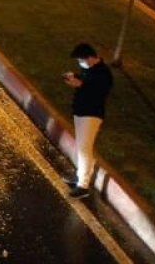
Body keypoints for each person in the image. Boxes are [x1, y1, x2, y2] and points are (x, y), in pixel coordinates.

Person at [63, 43, 113, 199]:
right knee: (81, 147)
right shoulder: (89, 69)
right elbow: (86, 83)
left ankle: (83, 186)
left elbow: (98, 91)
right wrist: (76, 79)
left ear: (90, 58)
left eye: (81, 60)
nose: (80, 63)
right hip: (81, 112)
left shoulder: (104, 73)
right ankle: (81, 177)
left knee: (84, 148)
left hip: (91, 115)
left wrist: (81, 84)